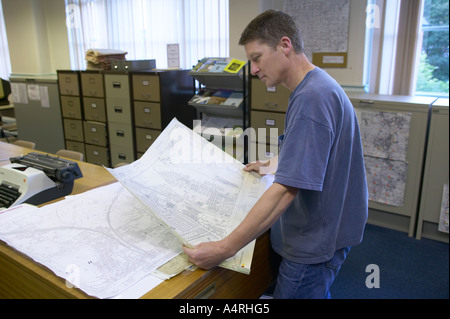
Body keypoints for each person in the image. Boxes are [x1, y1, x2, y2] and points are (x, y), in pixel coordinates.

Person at [183, 10, 368, 299]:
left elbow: (285, 191)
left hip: (313, 242)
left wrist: (225, 247)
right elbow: (319, 150)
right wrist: (275, 164)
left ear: (285, 45)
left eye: (257, 58)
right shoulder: (317, 85)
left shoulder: (311, 98)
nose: (253, 70)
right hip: (330, 228)